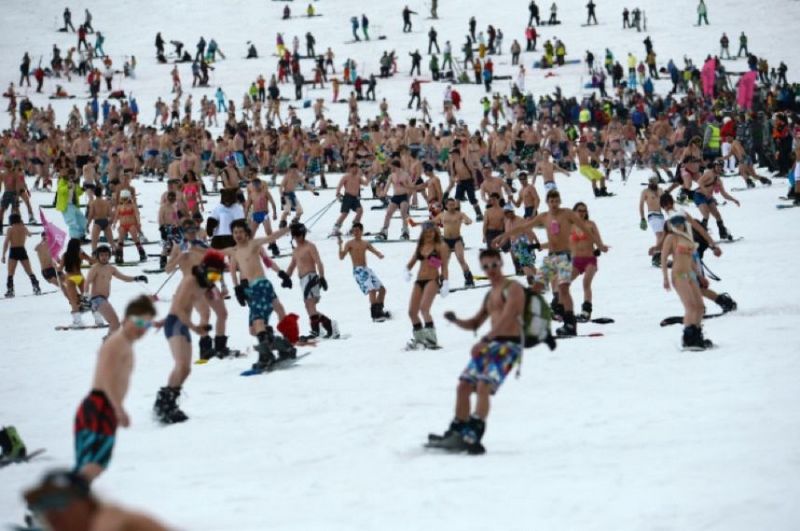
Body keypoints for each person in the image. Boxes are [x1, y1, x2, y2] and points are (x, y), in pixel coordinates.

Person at [432, 249, 532, 453]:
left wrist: (485, 339)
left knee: (484, 384)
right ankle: (457, 430)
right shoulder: (491, 294)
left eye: (494, 265)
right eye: (486, 267)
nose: (491, 270)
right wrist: (456, 320)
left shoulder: (513, 289)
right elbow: (476, 321)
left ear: (501, 262)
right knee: (464, 385)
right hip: (492, 344)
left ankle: (473, 434)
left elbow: (509, 317)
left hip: (509, 345)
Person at [496, 190, 606, 336]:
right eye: (551, 201)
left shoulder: (567, 214)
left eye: (556, 201)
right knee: (536, 287)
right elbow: (524, 227)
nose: (554, 204)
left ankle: (570, 323)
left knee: (563, 288)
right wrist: (504, 235)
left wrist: (600, 245)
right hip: (551, 257)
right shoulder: (544, 216)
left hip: (565, 256)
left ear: (559, 201)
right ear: (547, 202)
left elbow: (586, 228)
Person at [73, 296, 156, 481]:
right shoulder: (116, 343)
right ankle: (54, 505)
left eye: (147, 325)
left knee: (93, 466)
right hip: (98, 408)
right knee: (92, 466)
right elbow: (106, 376)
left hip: (104, 408)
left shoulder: (125, 342)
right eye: (140, 322)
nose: (143, 329)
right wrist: (118, 408)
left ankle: (62, 505)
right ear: (126, 320)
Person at [153, 250, 226, 424]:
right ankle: (165, 404)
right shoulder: (190, 281)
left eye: (218, 273)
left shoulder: (204, 284)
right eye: (212, 272)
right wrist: (195, 328)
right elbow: (178, 308)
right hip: (177, 324)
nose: (214, 276)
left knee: (185, 369)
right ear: (204, 267)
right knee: (181, 365)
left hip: (181, 324)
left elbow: (185, 305)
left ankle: (168, 401)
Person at [229, 220, 295, 369]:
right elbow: (233, 270)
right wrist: (237, 289)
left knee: (261, 321)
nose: (238, 235)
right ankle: (281, 345)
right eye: (235, 232)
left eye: (240, 232)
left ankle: (267, 354)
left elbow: (267, 260)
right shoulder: (234, 252)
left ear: (246, 233)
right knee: (254, 329)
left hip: (260, 285)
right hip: (248, 290)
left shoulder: (254, 245)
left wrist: (282, 273)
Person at [24, 469, 169, 530]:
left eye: (60, 502)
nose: (52, 513)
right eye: (43, 505)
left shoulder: (116, 522)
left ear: (86, 503)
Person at [661, 214, 712, 350]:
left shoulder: (687, 237)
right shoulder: (671, 238)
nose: (678, 226)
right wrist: (665, 277)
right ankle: (688, 337)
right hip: (679, 274)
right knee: (690, 306)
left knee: (700, 307)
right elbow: (664, 258)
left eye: (680, 223)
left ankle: (696, 334)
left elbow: (692, 260)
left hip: (690, 274)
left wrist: (700, 276)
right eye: (675, 224)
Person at [285, 223, 339, 338]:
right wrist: (286, 277)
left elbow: (319, 262)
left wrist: (322, 277)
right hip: (302, 281)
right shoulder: (296, 251)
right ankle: (328, 323)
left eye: (299, 235)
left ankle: (316, 331)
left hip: (311, 277)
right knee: (309, 306)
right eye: (295, 235)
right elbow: (291, 267)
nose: (297, 238)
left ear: (303, 234)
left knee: (310, 304)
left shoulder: (310, 246)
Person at [405, 221, 450, 349]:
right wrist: (406, 270)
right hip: (419, 280)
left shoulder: (440, 246)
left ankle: (431, 339)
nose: (429, 234)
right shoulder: (420, 246)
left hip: (432, 279)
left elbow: (444, 266)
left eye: (431, 231)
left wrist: (445, 282)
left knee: (424, 309)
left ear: (435, 232)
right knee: (412, 312)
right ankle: (419, 338)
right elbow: (412, 262)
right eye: (427, 231)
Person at [85, 245, 148, 332]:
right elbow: (87, 282)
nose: (104, 257)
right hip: (97, 299)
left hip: (104, 299)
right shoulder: (95, 268)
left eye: (106, 255)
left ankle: (107, 341)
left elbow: (123, 277)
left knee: (115, 324)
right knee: (115, 322)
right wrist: (86, 295)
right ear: (98, 256)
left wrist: (136, 278)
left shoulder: (111, 268)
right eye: (102, 255)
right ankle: (109, 343)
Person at [338, 222, 390, 322]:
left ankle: (379, 311)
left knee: (382, 290)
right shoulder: (349, 243)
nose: (356, 233)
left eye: (358, 231)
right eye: (354, 231)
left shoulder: (365, 243)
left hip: (366, 269)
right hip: (358, 271)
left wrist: (379, 254)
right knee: (372, 290)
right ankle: (375, 315)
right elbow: (341, 257)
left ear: (362, 231)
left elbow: (375, 251)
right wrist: (340, 245)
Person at [569, 203, 606, 321]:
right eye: (579, 211)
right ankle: (564, 309)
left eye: (584, 211)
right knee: (564, 283)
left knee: (586, 282)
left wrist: (600, 248)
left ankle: (586, 310)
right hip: (575, 260)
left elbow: (599, 241)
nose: (582, 213)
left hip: (589, 259)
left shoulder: (591, 224)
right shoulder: (570, 226)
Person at [433, 198, 475, 287]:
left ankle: (469, 279)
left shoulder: (460, 214)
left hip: (457, 240)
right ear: (446, 206)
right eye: (450, 205)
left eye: (453, 204)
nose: (452, 206)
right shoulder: (442, 215)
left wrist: (467, 221)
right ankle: (442, 281)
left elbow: (469, 220)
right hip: (446, 240)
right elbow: (432, 223)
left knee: (460, 258)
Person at [2, 214, 42, 297]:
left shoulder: (10, 229)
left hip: (13, 250)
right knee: (29, 271)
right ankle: (36, 286)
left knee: (10, 272)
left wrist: (3, 254)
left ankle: (10, 290)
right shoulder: (23, 228)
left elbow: (6, 242)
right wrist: (23, 225)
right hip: (22, 250)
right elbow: (30, 235)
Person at [331, 163, 368, 237]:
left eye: (357, 168)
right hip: (347, 197)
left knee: (360, 211)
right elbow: (339, 185)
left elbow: (366, 184)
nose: (356, 170)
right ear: (350, 168)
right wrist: (338, 194)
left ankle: (354, 228)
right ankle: (335, 228)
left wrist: (364, 175)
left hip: (355, 198)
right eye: (354, 168)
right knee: (345, 213)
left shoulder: (358, 177)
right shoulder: (346, 176)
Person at [639, 175, 666, 266]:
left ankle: (659, 255)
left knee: (663, 236)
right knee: (659, 235)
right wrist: (642, 218)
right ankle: (656, 257)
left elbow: (665, 202)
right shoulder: (645, 191)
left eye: (654, 181)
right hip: (652, 215)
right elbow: (641, 205)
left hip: (660, 215)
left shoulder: (660, 190)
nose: (652, 183)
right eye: (651, 182)